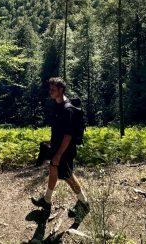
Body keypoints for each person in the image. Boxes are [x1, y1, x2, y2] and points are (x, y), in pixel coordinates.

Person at [31, 77, 90, 219]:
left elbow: (69, 135)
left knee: (68, 177)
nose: (50, 91)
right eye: (50, 88)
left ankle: (84, 203)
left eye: (53, 89)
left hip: (65, 150)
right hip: (57, 147)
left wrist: (58, 154)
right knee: (53, 170)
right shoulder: (58, 104)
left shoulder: (66, 109)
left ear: (61, 90)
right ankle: (47, 200)